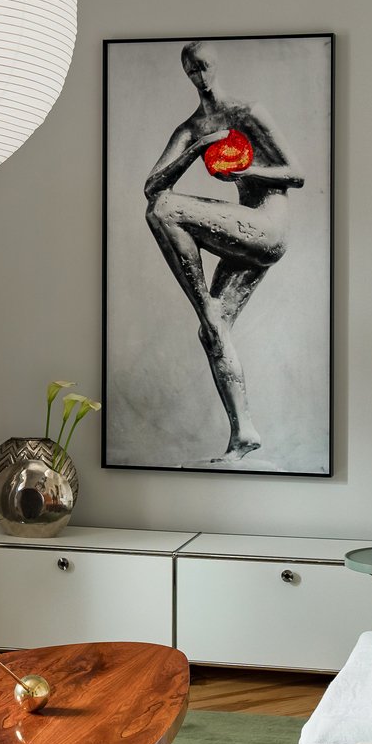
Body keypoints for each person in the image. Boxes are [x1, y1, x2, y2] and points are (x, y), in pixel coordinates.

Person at [142, 41, 303, 463]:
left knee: (164, 210)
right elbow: (152, 182)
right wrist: (199, 147)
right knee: (212, 332)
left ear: (216, 65)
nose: (200, 75)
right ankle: (244, 434)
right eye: (192, 70)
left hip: (267, 225)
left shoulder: (247, 112)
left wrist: (245, 169)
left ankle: (205, 308)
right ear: (186, 73)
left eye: (205, 66)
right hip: (243, 236)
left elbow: (295, 173)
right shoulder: (190, 128)